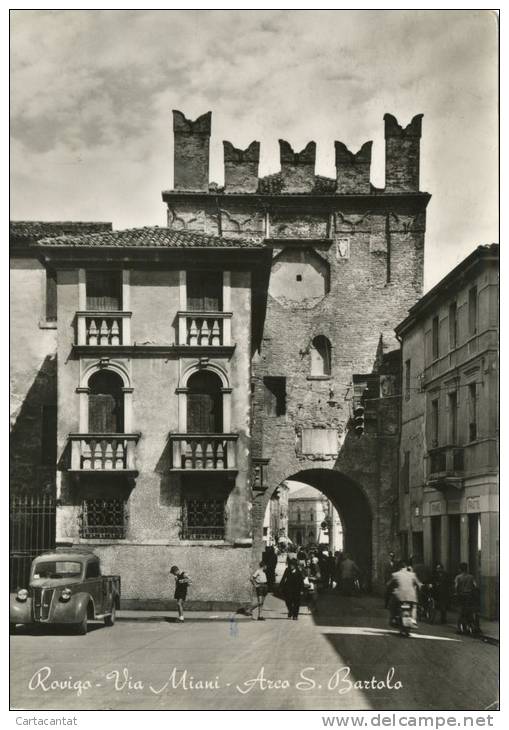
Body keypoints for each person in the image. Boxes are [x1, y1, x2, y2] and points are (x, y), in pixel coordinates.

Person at [388, 558, 421, 627]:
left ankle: (393, 618)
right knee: (414, 607)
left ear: (399, 567)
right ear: (406, 567)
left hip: (399, 596)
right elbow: (419, 584)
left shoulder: (395, 574)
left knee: (392, 605)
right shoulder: (412, 575)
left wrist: (391, 588)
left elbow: (388, 584)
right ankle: (413, 620)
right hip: (411, 597)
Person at [454, 562, 478, 634]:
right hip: (470, 596)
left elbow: (456, 586)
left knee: (461, 612)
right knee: (469, 611)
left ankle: (459, 628)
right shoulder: (471, 577)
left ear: (460, 569)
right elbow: (475, 586)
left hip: (461, 596)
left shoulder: (458, 577)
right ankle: (471, 626)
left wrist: (456, 593)